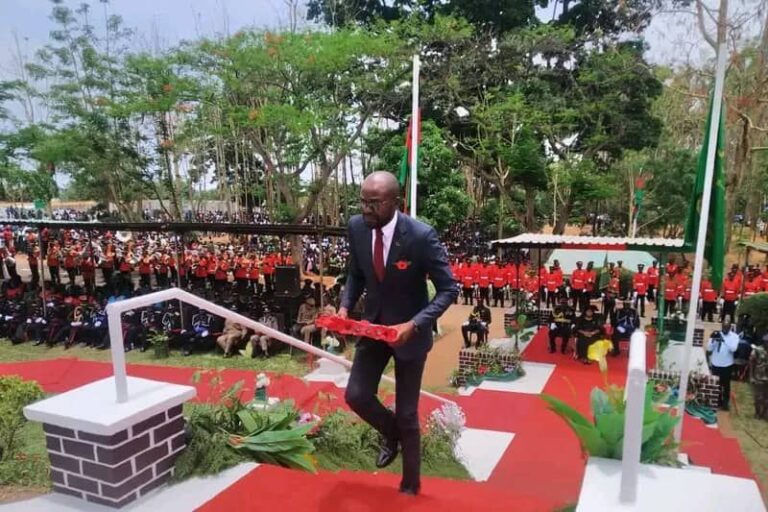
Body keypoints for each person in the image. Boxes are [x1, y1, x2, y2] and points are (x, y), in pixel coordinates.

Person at [340, 171, 457, 496]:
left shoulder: (421, 236)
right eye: (363, 202)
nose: (366, 210)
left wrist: (415, 324)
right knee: (356, 396)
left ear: (396, 202)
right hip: (374, 328)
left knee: (408, 414)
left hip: (410, 335)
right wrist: (345, 306)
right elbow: (355, 273)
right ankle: (391, 434)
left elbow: (449, 289)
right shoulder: (356, 227)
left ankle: (410, 486)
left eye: (374, 203)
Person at [707, 321, 740, 411]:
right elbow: (709, 348)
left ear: (730, 328)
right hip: (716, 363)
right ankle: (717, 402)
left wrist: (723, 340)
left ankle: (725, 404)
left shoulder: (734, 336)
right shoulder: (716, 334)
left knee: (726, 385)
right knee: (716, 384)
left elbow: (733, 349)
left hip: (727, 365)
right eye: (723, 328)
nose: (724, 330)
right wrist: (713, 340)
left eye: (726, 328)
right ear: (721, 327)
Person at [749, 335, 768, 420]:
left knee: (766, 399)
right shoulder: (757, 351)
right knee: (758, 397)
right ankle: (757, 413)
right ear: (764, 342)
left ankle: (763, 414)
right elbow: (751, 364)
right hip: (758, 378)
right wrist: (751, 377)